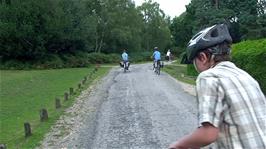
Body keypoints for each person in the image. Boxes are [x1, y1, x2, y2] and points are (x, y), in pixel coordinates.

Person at [169, 24, 266, 149]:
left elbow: (208, 134)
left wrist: (178, 145)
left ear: (203, 58)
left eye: (194, 62)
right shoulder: (246, 77)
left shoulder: (208, 77)